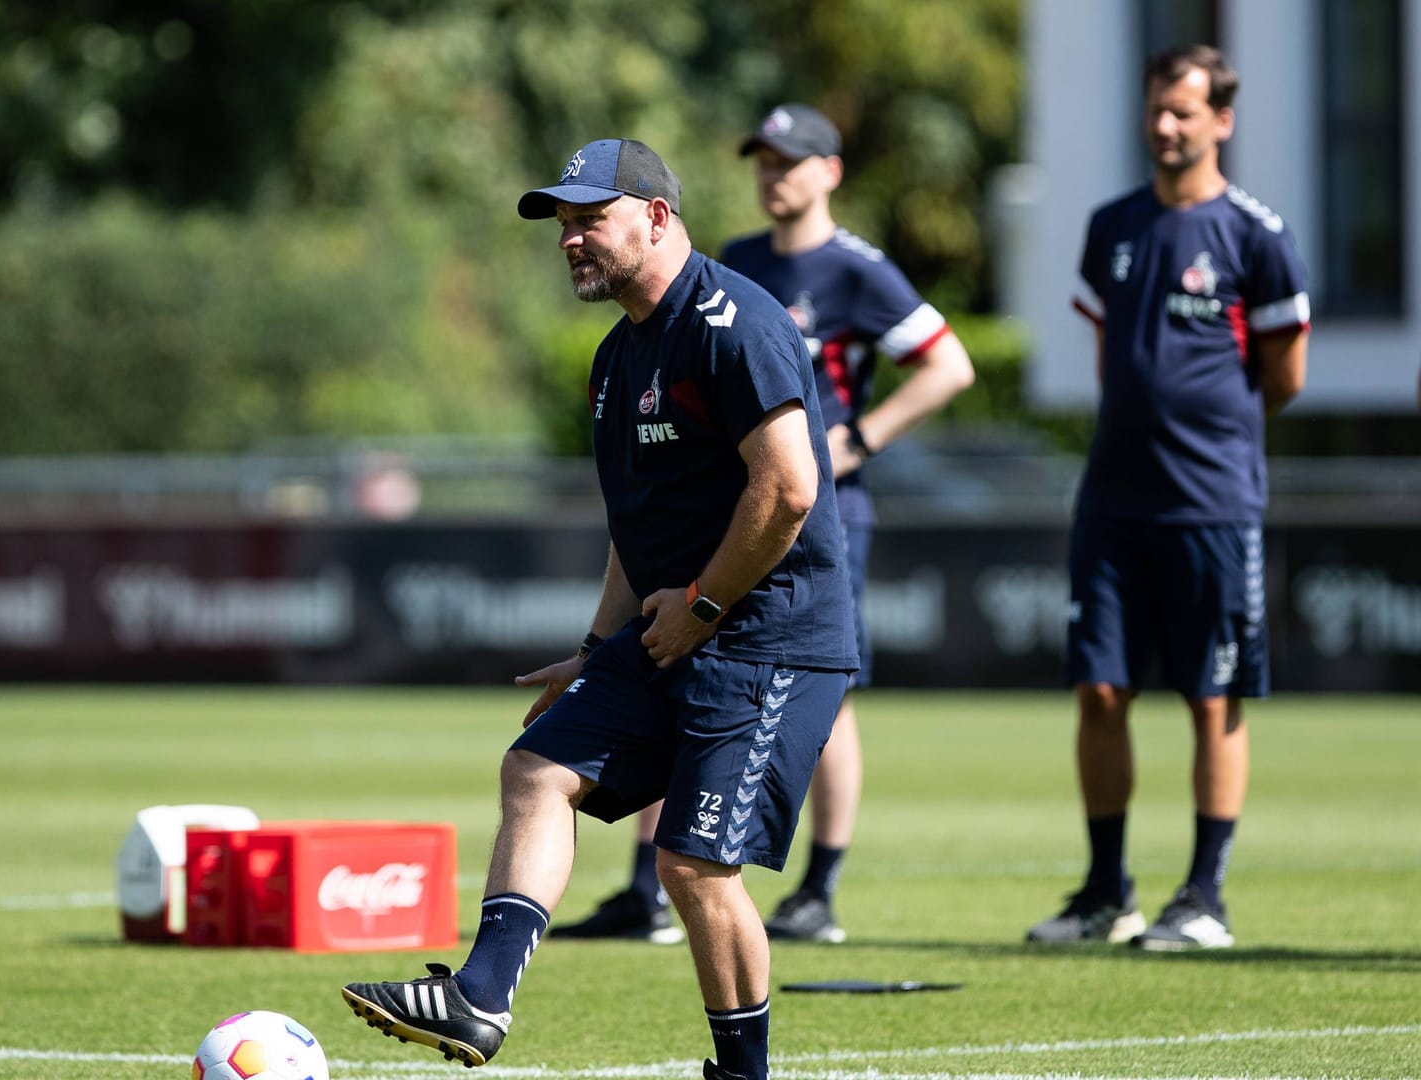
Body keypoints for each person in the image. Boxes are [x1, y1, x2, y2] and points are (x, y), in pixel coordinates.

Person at [341, 138, 856, 1080]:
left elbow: (788, 489)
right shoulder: (617, 356)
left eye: (589, 219)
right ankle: (479, 1000)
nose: (571, 239)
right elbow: (636, 526)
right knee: (537, 768)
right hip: (674, 629)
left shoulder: (734, 319)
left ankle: (743, 1075)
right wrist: (597, 649)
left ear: (656, 216)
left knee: (693, 869)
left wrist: (701, 606)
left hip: (769, 641)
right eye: (564, 225)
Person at [550, 103, 975, 947]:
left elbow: (949, 365)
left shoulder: (857, 268)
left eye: (791, 160)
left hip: (812, 506)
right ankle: (650, 885)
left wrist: (856, 442)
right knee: (671, 677)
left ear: (830, 172)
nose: (774, 174)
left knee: (816, 693)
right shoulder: (730, 262)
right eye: (763, 160)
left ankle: (818, 884)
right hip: (714, 495)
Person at [1027, 44, 1310, 951]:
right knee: (1099, 693)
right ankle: (1107, 893)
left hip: (1212, 506)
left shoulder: (1257, 235)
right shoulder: (1112, 225)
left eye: (1184, 110)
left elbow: (1285, 378)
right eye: (1157, 107)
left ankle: (1205, 897)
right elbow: (1116, 356)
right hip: (1112, 501)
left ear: (1221, 119)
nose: (1165, 124)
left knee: (1211, 697)